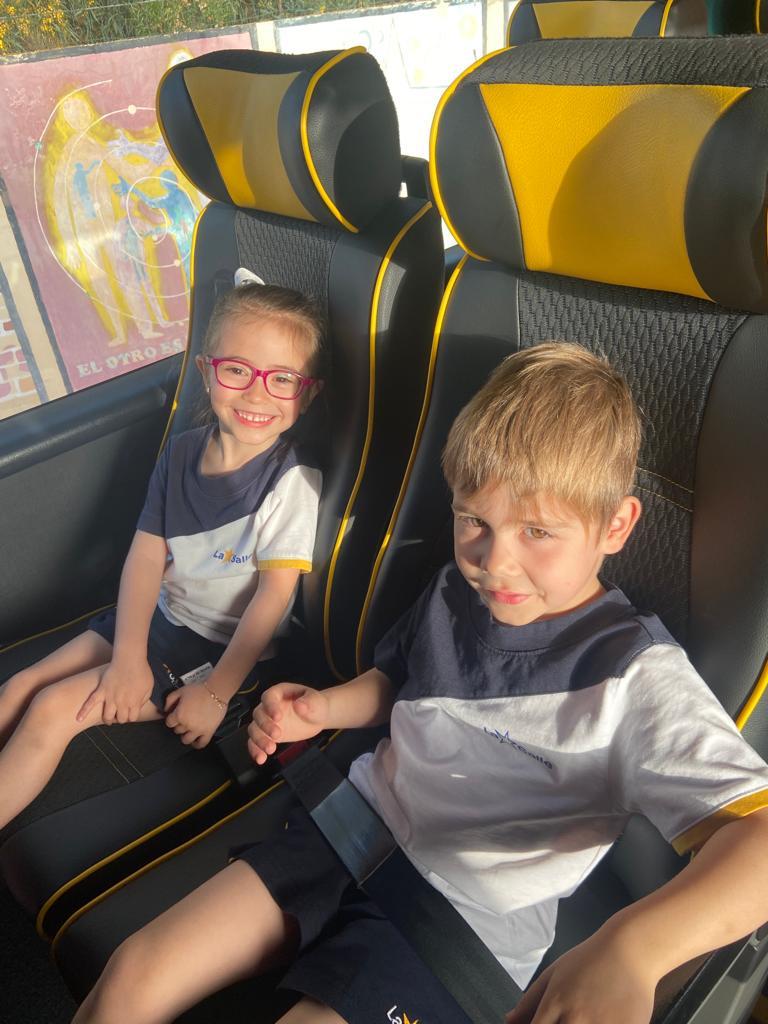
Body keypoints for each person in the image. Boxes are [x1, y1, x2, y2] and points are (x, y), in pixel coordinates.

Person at [73, 343, 768, 1024]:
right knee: (134, 972)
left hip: (462, 917)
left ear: (615, 525)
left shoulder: (634, 677)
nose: (495, 561)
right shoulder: (455, 592)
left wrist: (634, 951)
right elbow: (402, 682)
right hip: (353, 829)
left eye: (537, 532)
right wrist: (322, 709)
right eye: (474, 521)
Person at [0, 282, 325, 832]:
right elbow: (146, 559)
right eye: (237, 370)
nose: (257, 394)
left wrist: (216, 695)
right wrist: (127, 657)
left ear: (307, 395)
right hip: (159, 619)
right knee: (17, 689)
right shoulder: (181, 453)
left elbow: (271, 601)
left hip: (214, 652)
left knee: (53, 708)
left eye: (282, 379)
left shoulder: (290, 484)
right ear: (205, 372)